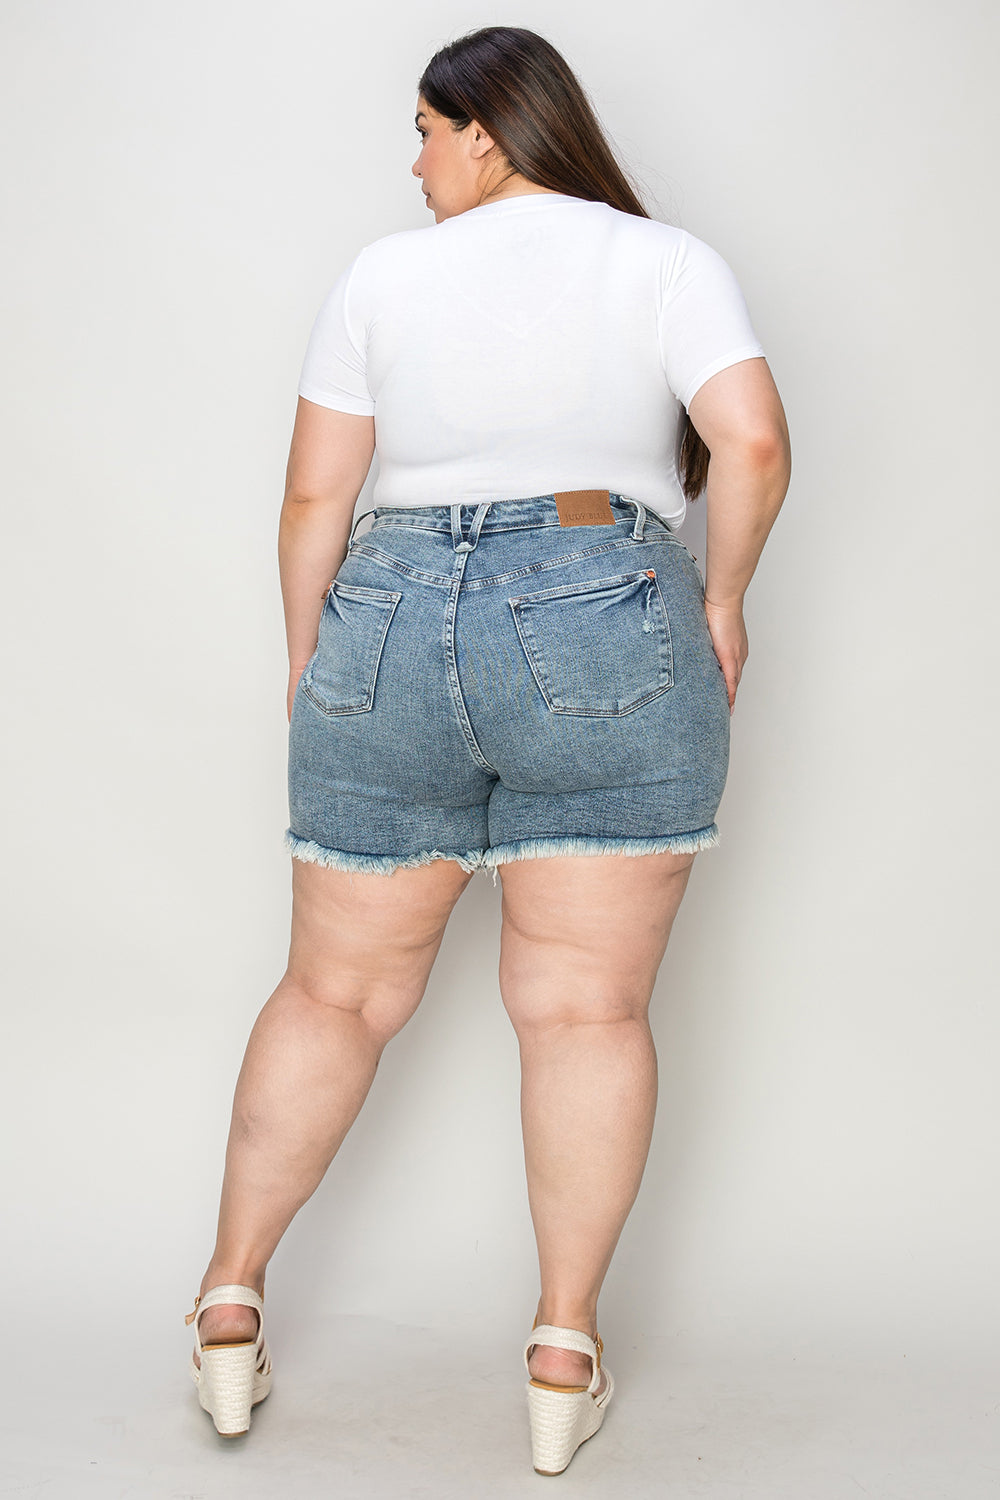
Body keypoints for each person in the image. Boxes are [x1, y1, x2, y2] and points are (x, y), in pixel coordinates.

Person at [183, 24, 791, 1477]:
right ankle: (562, 1354)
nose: (412, 164)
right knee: (583, 1012)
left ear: (491, 133)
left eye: (424, 132)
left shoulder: (380, 280)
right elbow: (753, 445)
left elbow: (309, 501)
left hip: (384, 614)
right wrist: (720, 603)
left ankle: (224, 1305)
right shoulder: (666, 261)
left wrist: (306, 660)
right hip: (603, 598)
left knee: (333, 991)